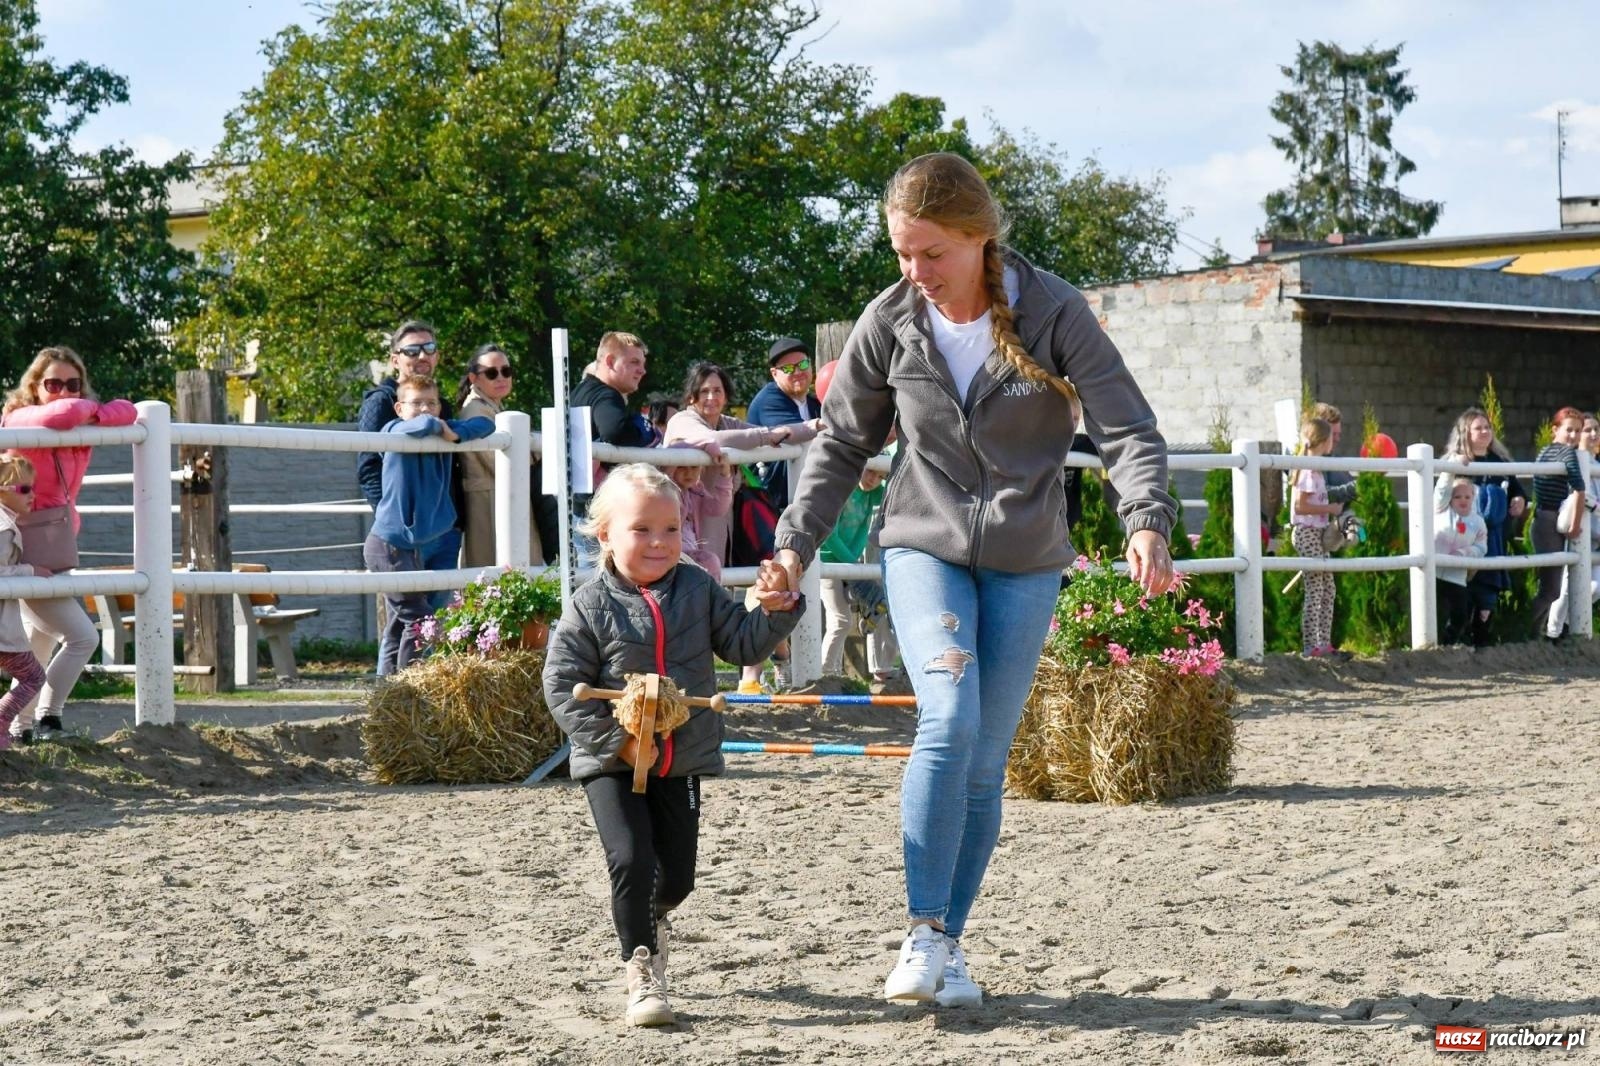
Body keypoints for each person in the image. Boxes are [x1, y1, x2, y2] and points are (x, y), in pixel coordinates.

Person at [771, 153, 1175, 1007]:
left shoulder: (1055, 311)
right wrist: (794, 546)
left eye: (931, 255)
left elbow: (1127, 427)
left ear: (979, 239)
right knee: (948, 717)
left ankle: (951, 943)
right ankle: (920, 934)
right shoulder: (889, 321)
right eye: (901, 254)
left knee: (987, 767)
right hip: (924, 542)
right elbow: (843, 443)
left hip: (1027, 555)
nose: (915, 273)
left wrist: (1145, 519)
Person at [541, 464, 801, 1028]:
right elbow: (562, 684)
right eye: (642, 530)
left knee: (677, 876)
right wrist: (618, 744)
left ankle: (654, 918)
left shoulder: (698, 588)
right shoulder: (589, 605)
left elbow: (739, 641)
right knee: (630, 857)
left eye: (671, 529)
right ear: (605, 534)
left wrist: (776, 612)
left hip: (680, 754)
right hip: (611, 761)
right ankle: (640, 968)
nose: (660, 543)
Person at [1, 347, 138, 743]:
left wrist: (89, 411)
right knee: (83, 637)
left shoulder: (78, 421)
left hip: (55, 544)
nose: (63, 393)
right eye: (53, 384)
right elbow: (61, 415)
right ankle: (48, 719)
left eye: (73, 384)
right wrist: (89, 409)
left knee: (39, 641)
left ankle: (19, 727)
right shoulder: (19, 417)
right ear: (34, 386)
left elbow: (129, 410)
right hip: (22, 550)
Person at [665, 362, 805, 692]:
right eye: (704, 391)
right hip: (688, 536)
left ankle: (761, 669)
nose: (712, 396)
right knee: (704, 599)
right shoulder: (685, 423)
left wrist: (814, 426)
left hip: (722, 527)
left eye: (718, 390)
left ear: (726, 395)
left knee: (759, 581)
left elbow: (718, 502)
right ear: (692, 397)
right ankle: (747, 671)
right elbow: (716, 440)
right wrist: (760, 438)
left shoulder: (700, 483)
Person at [362, 375, 494, 674]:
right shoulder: (393, 431)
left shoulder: (442, 431)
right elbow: (421, 426)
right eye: (416, 403)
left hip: (412, 545)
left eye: (432, 403)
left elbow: (486, 425)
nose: (425, 409)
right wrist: (442, 427)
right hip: (388, 545)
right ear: (398, 408)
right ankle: (411, 688)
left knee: (402, 623)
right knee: (421, 622)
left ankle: (390, 692)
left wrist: (451, 432)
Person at [1437, 407, 1528, 646]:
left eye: (1487, 427)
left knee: (1487, 594)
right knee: (1462, 593)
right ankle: (1457, 642)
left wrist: (1519, 501)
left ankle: (1483, 643)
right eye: (1478, 428)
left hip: (1494, 539)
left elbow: (1517, 490)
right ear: (1465, 432)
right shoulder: (1454, 462)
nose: (1485, 432)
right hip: (1461, 539)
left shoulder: (1500, 462)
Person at [455, 344, 545, 569]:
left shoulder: (490, 405)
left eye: (506, 371)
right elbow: (504, 462)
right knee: (497, 578)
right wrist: (535, 453)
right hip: (489, 502)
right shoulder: (475, 410)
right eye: (492, 373)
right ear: (474, 378)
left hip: (499, 496)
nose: (501, 377)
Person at [818, 466, 898, 682]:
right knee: (841, 619)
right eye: (870, 472)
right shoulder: (843, 490)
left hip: (851, 563)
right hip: (828, 562)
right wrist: (852, 562)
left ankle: (867, 611)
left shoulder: (874, 493)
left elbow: (897, 493)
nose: (874, 479)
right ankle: (826, 675)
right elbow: (829, 536)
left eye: (880, 476)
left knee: (879, 601)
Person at [0, 456, 48, 750]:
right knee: (32, 676)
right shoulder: (4, 529)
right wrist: (30, 571)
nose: (32, 495)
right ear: (3, 490)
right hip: (2, 628)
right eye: (24, 489)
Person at [1290, 417, 1346, 660]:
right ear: (1323, 441)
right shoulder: (1308, 472)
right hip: (1307, 532)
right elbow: (1300, 507)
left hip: (1316, 532)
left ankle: (1323, 643)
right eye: (1331, 437)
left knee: (1327, 588)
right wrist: (1330, 510)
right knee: (1315, 589)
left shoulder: (1314, 469)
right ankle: (1311, 645)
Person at [1530, 407, 1587, 641]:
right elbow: (1579, 488)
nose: (1573, 436)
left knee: (1550, 586)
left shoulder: (1545, 451)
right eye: (1569, 429)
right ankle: (1528, 630)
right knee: (1551, 588)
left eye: (1577, 431)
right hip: (1551, 519)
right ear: (1556, 429)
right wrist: (1574, 526)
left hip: (1543, 518)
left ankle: (1535, 631)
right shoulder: (1568, 453)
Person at [745, 338, 824, 508]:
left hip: (809, 501)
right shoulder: (769, 400)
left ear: (811, 365)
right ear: (774, 374)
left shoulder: (814, 405)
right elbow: (798, 434)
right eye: (788, 368)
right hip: (773, 506)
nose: (797, 372)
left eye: (802, 365)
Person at [1542, 412, 1600, 641]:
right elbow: (1574, 496)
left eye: (1596, 429)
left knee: (1594, 588)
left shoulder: (1597, 464)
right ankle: (1552, 633)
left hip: (1596, 538)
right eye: (1588, 430)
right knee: (1566, 590)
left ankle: (1566, 627)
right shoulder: (1570, 460)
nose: (1594, 434)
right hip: (1576, 533)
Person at [1434, 476, 1488, 646]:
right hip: (1433, 572)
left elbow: (1481, 547)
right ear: (1450, 498)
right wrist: (1452, 464)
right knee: (1434, 611)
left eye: (1467, 496)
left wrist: (1464, 553)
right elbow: (1442, 487)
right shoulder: (1441, 510)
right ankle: (1430, 645)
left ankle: (1447, 644)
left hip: (1457, 575)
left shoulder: (1478, 522)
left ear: (1473, 497)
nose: (1462, 500)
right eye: (1457, 496)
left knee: (1460, 615)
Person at [661, 461, 734, 579]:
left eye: (694, 467)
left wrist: (725, 476)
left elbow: (718, 507)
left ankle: (711, 596)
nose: (688, 473)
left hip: (690, 553)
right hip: (668, 551)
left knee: (711, 561)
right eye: (681, 467)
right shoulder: (664, 492)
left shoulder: (696, 491)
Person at [1310, 402, 1358, 505]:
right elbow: (1321, 494)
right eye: (1333, 434)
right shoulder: (1313, 463)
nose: (1337, 439)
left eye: (1338, 434)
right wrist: (1355, 488)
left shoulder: (1334, 458)